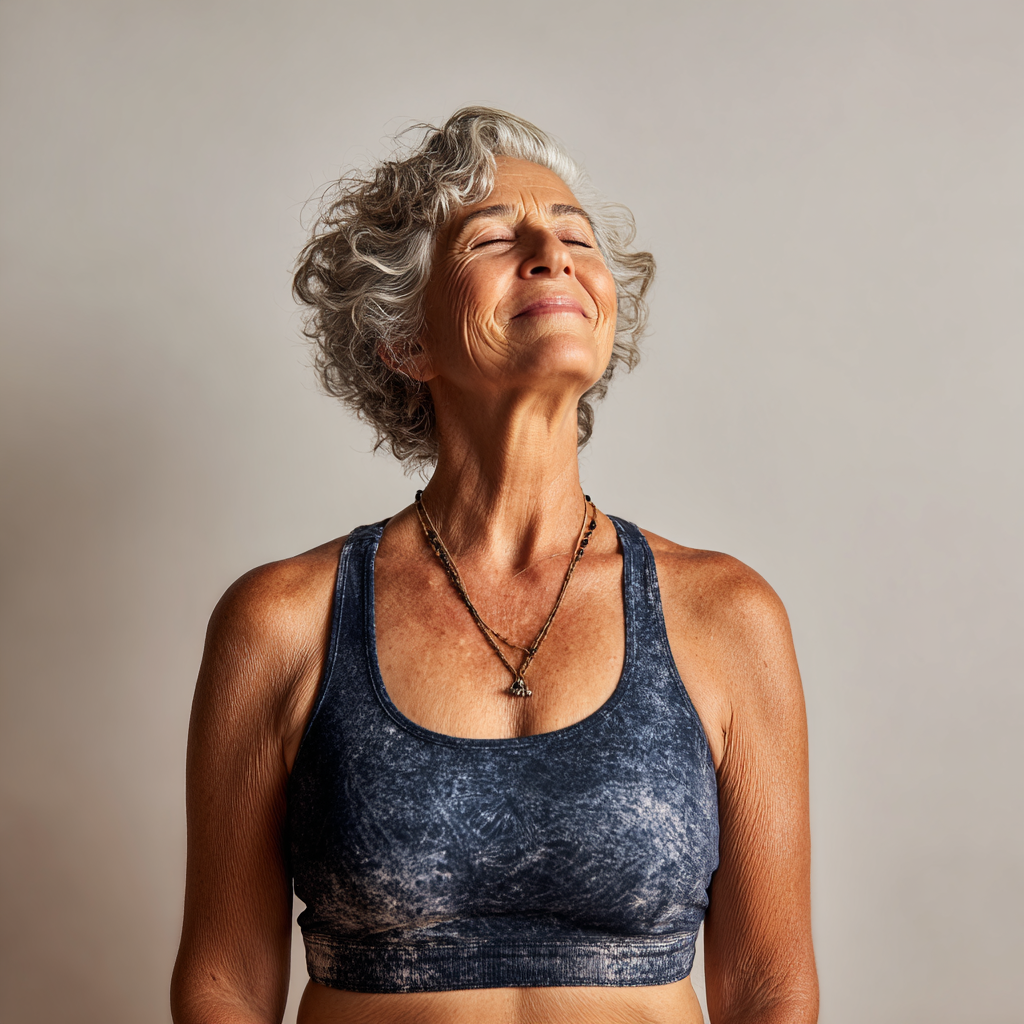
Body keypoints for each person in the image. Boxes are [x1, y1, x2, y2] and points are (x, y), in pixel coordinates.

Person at [170, 107, 818, 1024]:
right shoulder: (282, 621)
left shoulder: (726, 614)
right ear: (406, 340)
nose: (550, 253)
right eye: (492, 238)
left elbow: (770, 990)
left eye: (573, 235)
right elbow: (223, 985)